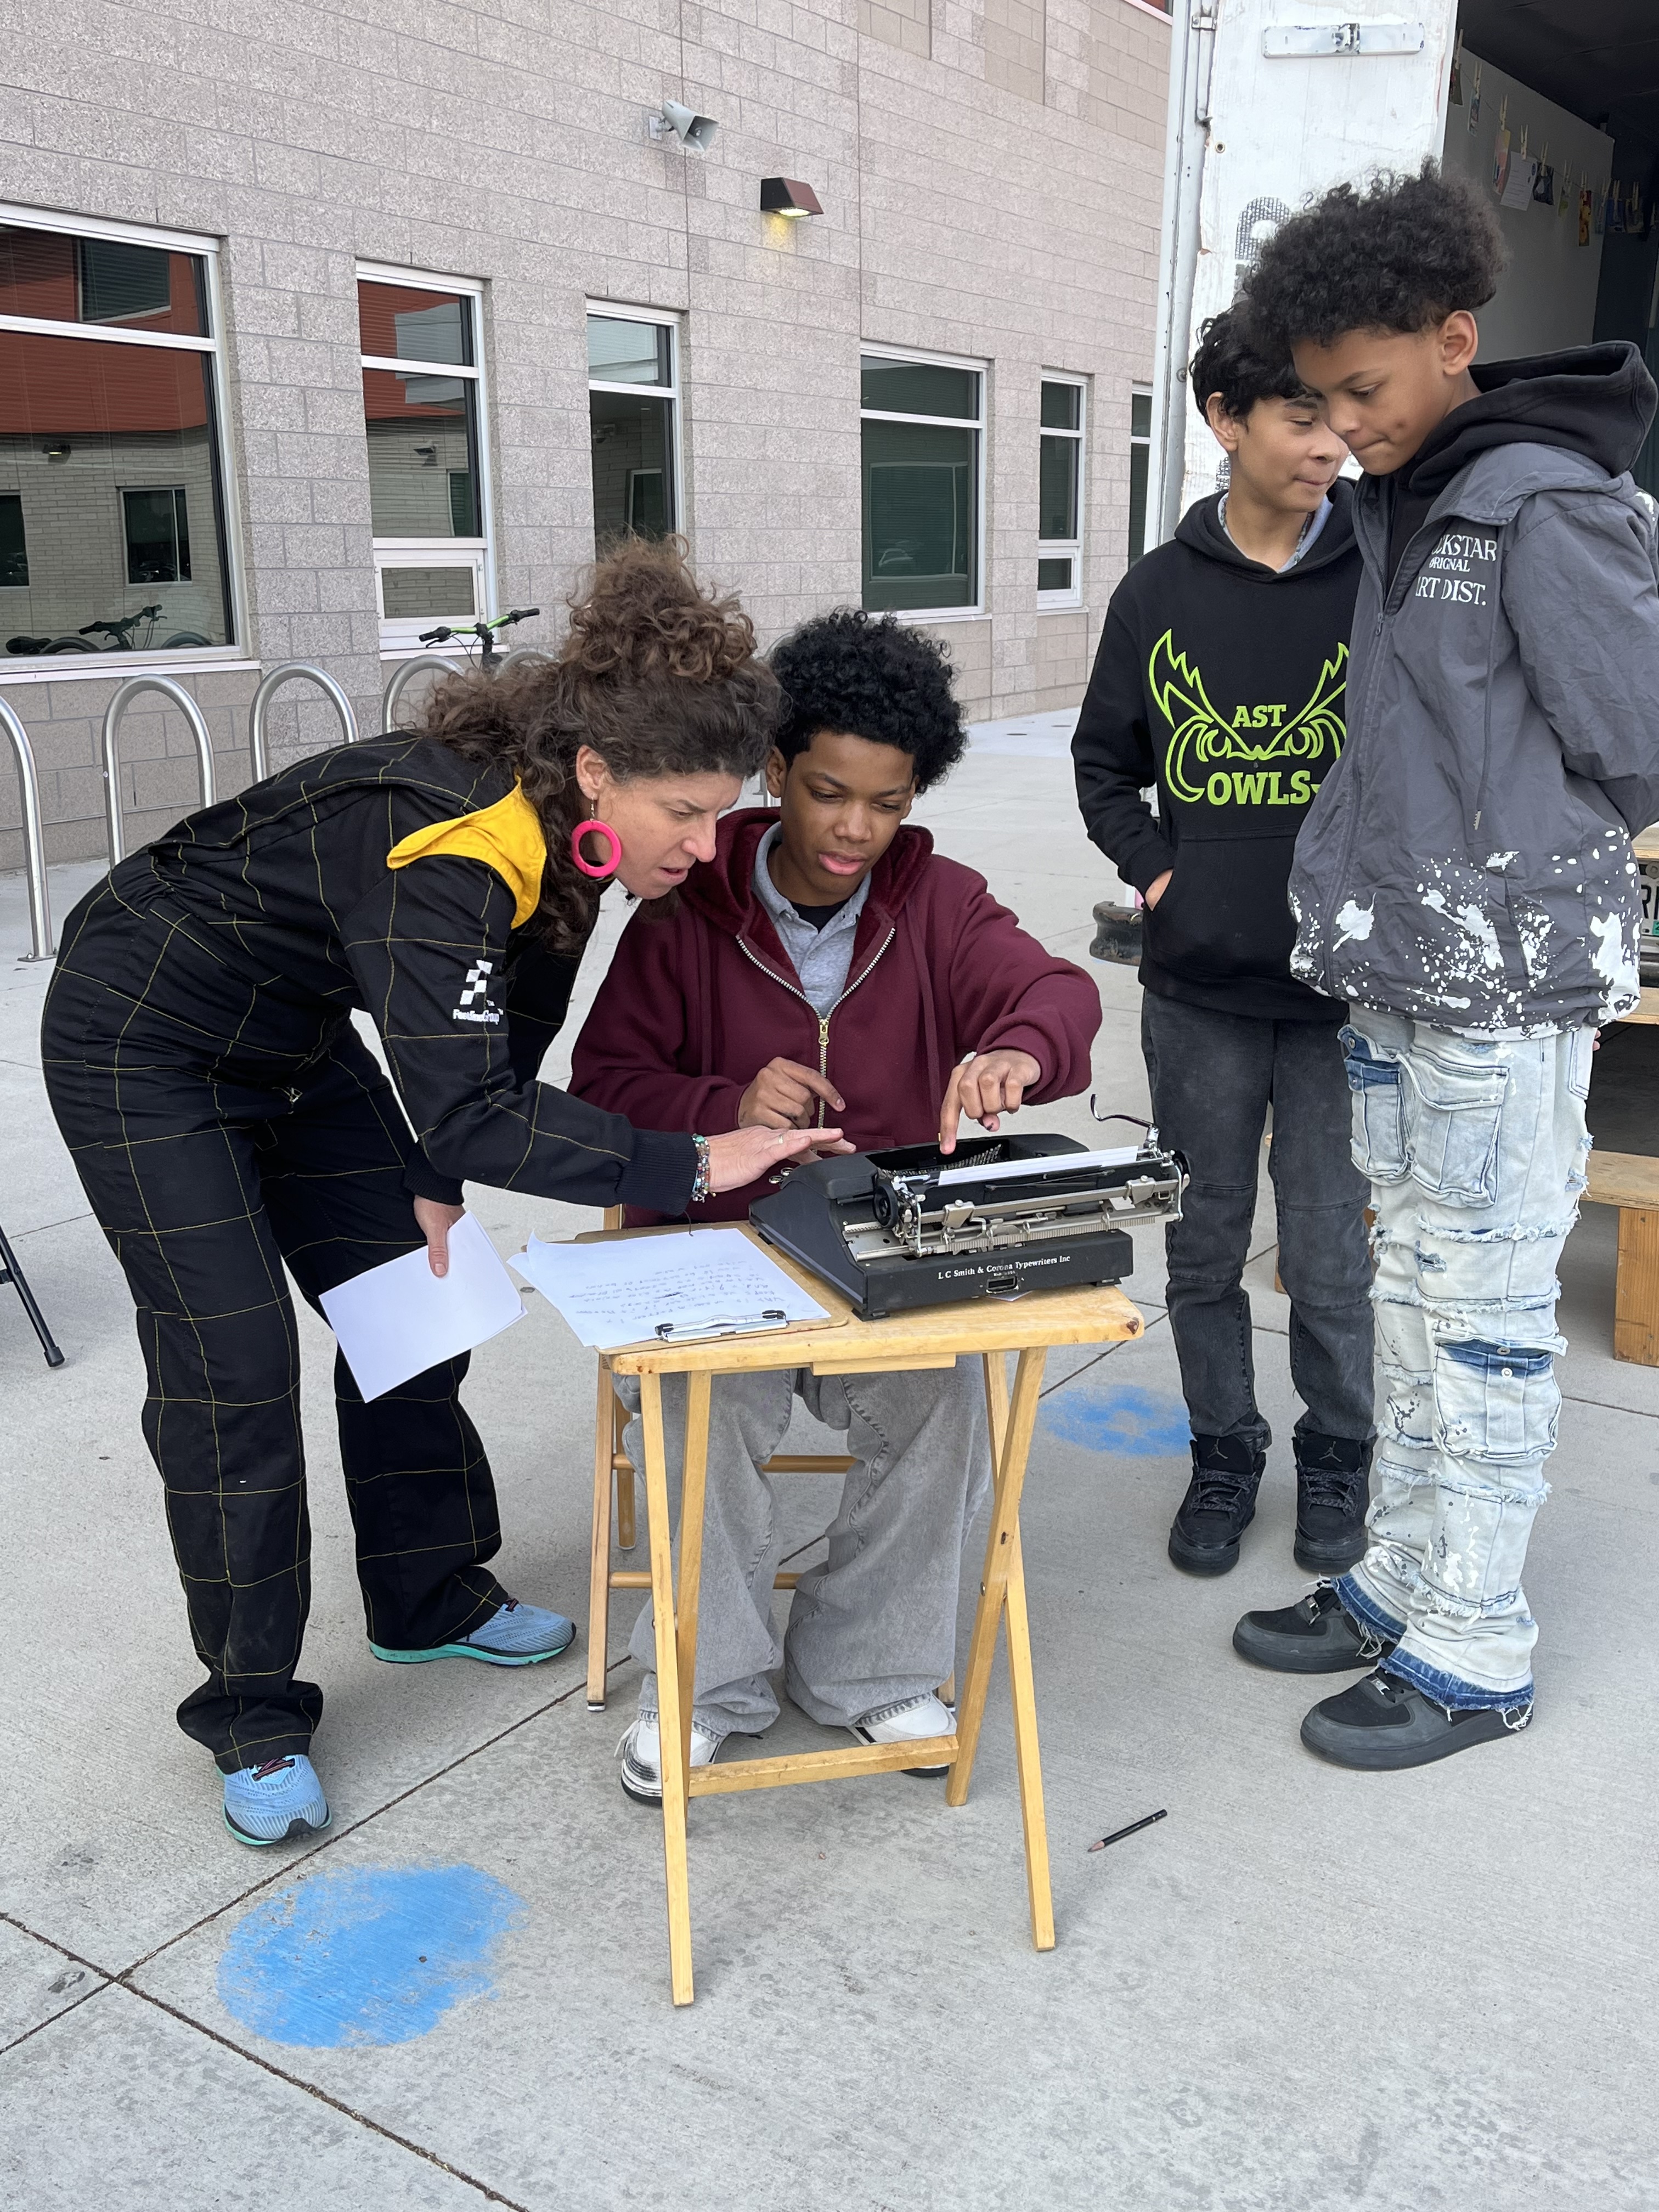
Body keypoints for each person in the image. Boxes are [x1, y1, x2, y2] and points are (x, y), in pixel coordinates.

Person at [42, 541, 840, 1844]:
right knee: (234, 1370)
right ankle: (250, 1710)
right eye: (687, 813)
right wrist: (694, 1160)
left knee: (417, 1298)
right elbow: (474, 1102)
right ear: (599, 771)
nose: (706, 847)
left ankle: (426, 1597)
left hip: (293, 1047)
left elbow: (509, 1036)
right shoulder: (452, 843)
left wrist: (430, 1180)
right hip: (142, 1043)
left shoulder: (578, 837)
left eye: (720, 813)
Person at [1228, 162, 1659, 1768]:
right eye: (1320, 400)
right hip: (1397, 971)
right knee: (1404, 1293)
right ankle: (1404, 1584)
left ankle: (1476, 1645)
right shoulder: (1403, 498)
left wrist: (1512, 856)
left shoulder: (1544, 502)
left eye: (1365, 389)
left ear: (1454, 338)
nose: (1344, 427)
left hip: (1502, 984)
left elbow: (1640, 737)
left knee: (1481, 1314)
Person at [569, 609, 1101, 1800]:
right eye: (827, 792)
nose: (856, 828)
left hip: (882, 1253)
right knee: (697, 1410)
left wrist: (1017, 1050)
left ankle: (871, 1668)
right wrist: (722, 1102)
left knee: (947, 1395)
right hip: (720, 1254)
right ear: (776, 769)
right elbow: (602, 1087)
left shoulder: (942, 903)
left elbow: (1059, 993)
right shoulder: (687, 904)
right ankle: (705, 1685)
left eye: (889, 802)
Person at [1071, 309, 1375, 1581]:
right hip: (1199, 988)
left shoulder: (1378, 572)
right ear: (1226, 420)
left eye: (1341, 418)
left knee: (1329, 1252)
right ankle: (1223, 1451)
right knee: (1203, 1243)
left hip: (1345, 991)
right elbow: (1103, 767)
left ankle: (1340, 1453)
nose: (1331, 445)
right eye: (1304, 417)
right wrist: (1162, 874)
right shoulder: (1157, 593)